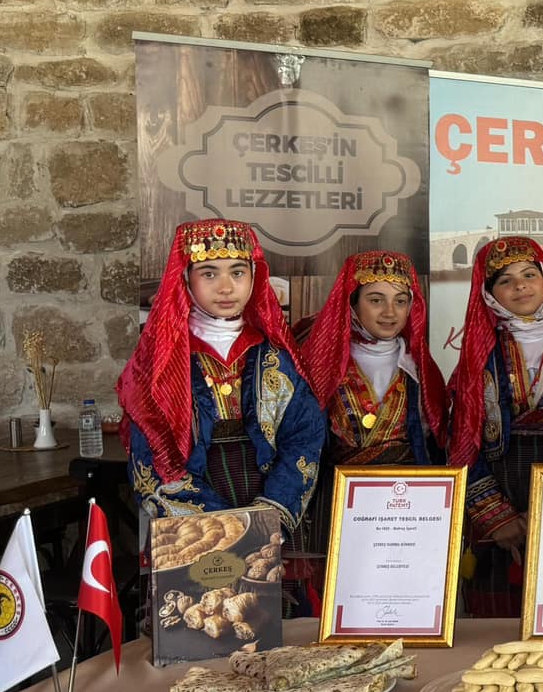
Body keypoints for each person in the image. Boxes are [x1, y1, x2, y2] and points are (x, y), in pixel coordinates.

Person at [118, 219, 326, 531]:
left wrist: (271, 514)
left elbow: (304, 437)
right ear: (186, 279)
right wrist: (221, 524)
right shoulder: (160, 364)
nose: (226, 287)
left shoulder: (275, 357)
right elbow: (152, 452)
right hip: (198, 506)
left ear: (254, 277)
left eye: (238, 272)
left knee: (270, 578)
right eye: (209, 273)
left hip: (267, 498)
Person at [447, 236, 543, 618]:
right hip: (496, 485)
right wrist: (494, 515)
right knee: (495, 610)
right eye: (505, 280)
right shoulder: (479, 352)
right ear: (488, 293)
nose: (520, 286)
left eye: (530, 274)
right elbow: (461, 437)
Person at [293, 250, 447, 609]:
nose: (390, 312)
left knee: (402, 599)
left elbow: (437, 441)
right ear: (352, 304)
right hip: (336, 503)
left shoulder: (418, 365)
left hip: (407, 505)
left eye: (400, 301)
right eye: (376, 300)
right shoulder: (322, 359)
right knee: (342, 600)